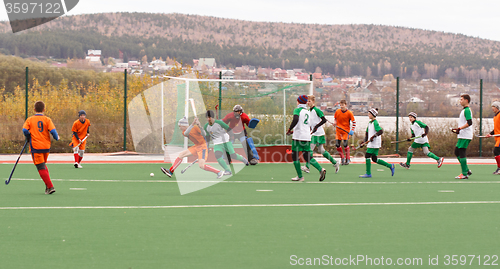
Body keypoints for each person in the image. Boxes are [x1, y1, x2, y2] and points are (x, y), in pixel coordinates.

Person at [22, 101, 59, 194]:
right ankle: (47, 187)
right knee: (43, 165)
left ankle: (50, 187)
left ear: (34, 109)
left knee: (40, 167)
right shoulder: (47, 119)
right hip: (46, 146)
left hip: (36, 146)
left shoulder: (30, 119)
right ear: (44, 109)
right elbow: (53, 132)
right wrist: (56, 138)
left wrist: (28, 135)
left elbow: (24, 130)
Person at [287, 95, 326, 182]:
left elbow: (295, 119)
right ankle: (320, 169)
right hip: (307, 137)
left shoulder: (297, 110)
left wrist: (290, 129)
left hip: (298, 137)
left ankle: (300, 176)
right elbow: (306, 126)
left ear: (298, 102)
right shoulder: (308, 112)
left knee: (295, 156)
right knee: (307, 156)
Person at [301, 95, 340, 174]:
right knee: (321, 150)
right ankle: (335, 162)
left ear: (313, 102)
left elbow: (324, 120)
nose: (308, 103)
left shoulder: (316, 110)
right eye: (307, 101)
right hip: (314, 133)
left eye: (309, 101)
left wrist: (316, 126)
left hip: (318, 133)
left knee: (309, 149)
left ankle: (307, 167)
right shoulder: (309, 111)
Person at [205, 110, 249, 175]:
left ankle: (242, 159)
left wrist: (231, 137)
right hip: (217, 143)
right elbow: (207, 138)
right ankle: (227, 170)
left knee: (233, 155)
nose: (208, 119)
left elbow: (229, 129)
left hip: (226, 141)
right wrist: (206, 147)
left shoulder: (219, 122)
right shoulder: (206, 126)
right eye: (207, 117)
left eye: (210, 117)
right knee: (218, 156)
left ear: (212, 117)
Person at [359, 108, 395, 178]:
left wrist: (373, 136)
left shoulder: (375, 122)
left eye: (369, 114)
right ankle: (391, 166)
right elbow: (367, 134)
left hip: (375, 143)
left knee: (367, 156)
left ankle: (368, 173)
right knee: (374, 159)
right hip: (372, 143)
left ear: (373, 115)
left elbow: (380, 131)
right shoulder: (370, 123)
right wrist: (363, 142)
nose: (368, 115)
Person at [452, 94, 473, 179]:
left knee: (461, 152)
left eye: (461, 99)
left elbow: (469, 122)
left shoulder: (467, 110)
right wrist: (458, 130)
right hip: (462, 135)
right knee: (457, 152)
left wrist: (459, 128)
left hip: (465, 135)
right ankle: (467, 170)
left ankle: (464, 173)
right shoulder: (464, 110)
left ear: (466, 100)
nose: (460, 101)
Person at [333, 100, 356, 165]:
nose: (341, 106)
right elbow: (335, 119)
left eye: (342, 105)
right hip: (338, 131)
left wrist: (352, 130)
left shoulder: (349, 113)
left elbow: (354, 122)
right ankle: (342, 158)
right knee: (337, 145)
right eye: (340, 105)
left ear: (345, 105)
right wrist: (335, 123)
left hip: (346, 131)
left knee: (345, 144)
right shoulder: (337, 111)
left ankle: (347, 158)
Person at [486, 101, 500, 175]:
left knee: (496, 150)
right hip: (497, 137)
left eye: (493, 106)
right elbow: (496, 129)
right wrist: (490, 134)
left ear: (497, 107)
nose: (492, 108)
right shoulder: (495, 117)